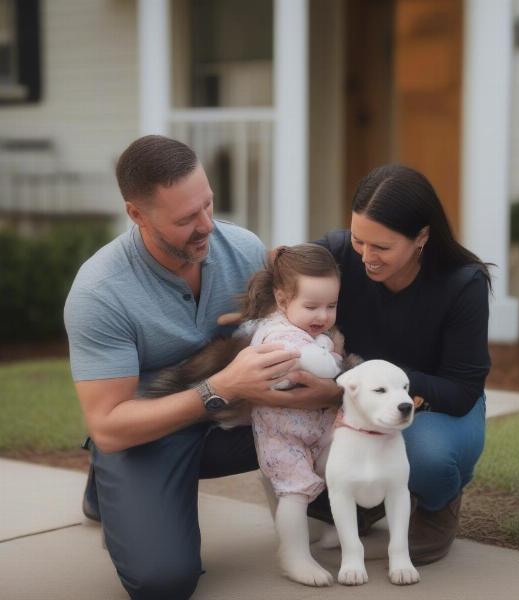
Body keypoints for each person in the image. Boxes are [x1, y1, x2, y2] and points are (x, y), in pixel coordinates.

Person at [63, 135, 341, 600]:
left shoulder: (245, 250)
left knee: (360, 472)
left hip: (240, 421)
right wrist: (222, 386)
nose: (207, 226)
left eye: (208, 205)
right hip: (149, 430)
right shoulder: (99, 294)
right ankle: (110, 484)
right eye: (186, 218)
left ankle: (119, 489)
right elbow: (110, 425)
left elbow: (293, 329)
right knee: (163, 583)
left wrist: (322, 390)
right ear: (137, 214)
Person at [312, 163, 491, 565]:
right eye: (359, 240)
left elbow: (462, 391)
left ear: (421, 238)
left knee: (425, 454)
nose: (366, 258)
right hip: (357, 397)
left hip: (436, 403)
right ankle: (373, 497)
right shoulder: (338, 252)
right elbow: (284, 281)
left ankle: (436, 499)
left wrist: (380, 382)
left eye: (382, 247)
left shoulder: (463, 284)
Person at [240, 244, 343, 586]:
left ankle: (337, 527)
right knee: (294, 494)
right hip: (282, 436)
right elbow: (325, 365)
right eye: (311, 306)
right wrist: (331, 352)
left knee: (344, 460)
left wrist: (324, 342)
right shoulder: (279, 334)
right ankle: (293, 555)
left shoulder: (304, 330)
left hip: (315, 427)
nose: (323, 317)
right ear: (282, 301)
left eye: (331, 306)